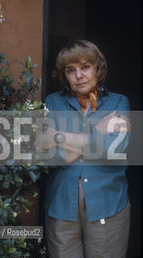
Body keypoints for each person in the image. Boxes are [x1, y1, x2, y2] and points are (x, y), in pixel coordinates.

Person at [40, 39, 131, 258]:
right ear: (65, 75)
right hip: (62, 206)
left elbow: (111, 149)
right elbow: (48, 154)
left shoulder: (119, 103)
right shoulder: (53, 102)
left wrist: (59, 137)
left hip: (108, 205)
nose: (78, 75)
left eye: (85, 67)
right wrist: (98, 133)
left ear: (98, 69)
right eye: (71, 70)